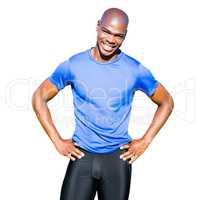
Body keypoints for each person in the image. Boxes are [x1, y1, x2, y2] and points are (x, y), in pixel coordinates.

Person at [32, 7, 174, 200]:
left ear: (125, 36)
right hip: (81, 157)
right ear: (97, 26)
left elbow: (166, 101)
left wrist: (145, 141)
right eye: (106, 31)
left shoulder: (135, 70)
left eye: (118, 35)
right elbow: (39, 96)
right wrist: (57, 141)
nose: (111, 40)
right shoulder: (74, 65)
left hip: (117, 160)